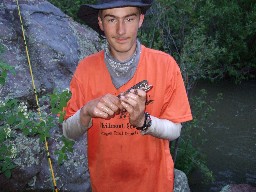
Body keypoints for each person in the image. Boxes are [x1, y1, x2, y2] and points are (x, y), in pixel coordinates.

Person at [63, 0, 193, 191]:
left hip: (154, 185)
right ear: (100, 23)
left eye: (129, 18)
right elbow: (67, 132)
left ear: (140, 20)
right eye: (111, 19)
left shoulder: (166, 65)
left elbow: (175, 130)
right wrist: (86, 112)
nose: (121, 30)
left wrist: (143, 121)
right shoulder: (85, 69)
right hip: (104, 184)